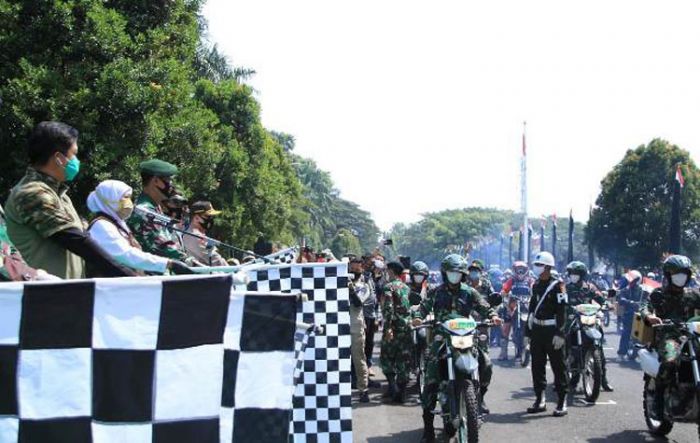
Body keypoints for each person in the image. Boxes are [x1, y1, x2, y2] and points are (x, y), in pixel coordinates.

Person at [4, 121, 135, 279]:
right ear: (59, 158)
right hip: (43, 297)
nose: (77, 161)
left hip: (66, 293)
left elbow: (84, 237)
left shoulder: (59, 195)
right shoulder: (32, 193)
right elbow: (75, 240)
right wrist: (126, 275)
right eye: (74, 154)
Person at [412, 254, 502, 442]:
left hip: (466, 337)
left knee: (485, 363)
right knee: (430, 378)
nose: (455, 276)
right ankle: (428, 427)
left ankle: (479, 398)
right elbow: (423, 308)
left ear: (463, 274)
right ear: (445, 273)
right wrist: (418, 317)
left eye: (458, 273)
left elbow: (484, 306)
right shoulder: (436, 292)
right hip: (442, 336)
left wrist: (493, 315)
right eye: (451, 272)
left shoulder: (470, 292)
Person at [86, 180, 192, 276]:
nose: (129, 202)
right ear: (110, 200)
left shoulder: (117, 224)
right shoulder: (101, 226)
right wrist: (168, 263)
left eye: (129, 198)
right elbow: (127, 255)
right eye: (125, 197)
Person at [640, 255, 700, 419]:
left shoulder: (693, 295)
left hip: (691, 337)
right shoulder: (658, 294)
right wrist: (649, 316)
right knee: (670, 361)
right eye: (676, 274)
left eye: (683, 274)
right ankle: (659, 401)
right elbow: (645, 307)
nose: (680, 277)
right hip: (668, 337)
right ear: (668, 275)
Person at [127, 159, 198, 265]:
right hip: (150, 276)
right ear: (155, 181)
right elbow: (163, 246)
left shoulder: (155, 208)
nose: (171, 185)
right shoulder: (143, 211)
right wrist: (190, 262)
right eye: (168, 180)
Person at [525, 251, 569, 417]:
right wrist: (527, 332)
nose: (536, 268)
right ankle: (540, 399)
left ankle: (561, 401)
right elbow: (531, 309)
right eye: (536, 265)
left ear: (548, 267)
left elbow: (562, 310)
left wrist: (560, 333)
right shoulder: (535, 285)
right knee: (537, 366)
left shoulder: (558, 285)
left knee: (559, 367)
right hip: (537, 330)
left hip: (552, 331)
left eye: (539, 265)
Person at [565, 261, 613, 392]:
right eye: (571, 274)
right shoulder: (566, 288)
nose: (573, 276)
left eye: (576, 274)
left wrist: (606, 305)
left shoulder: (590, 287)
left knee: (600, 349)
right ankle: (570, 378)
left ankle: (603, 380)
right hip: (573, 319)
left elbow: (600, 299)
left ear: (582, 275)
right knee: (567, 339)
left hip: (588, 319)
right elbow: (560, 301)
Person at [379, 261, 412, 403]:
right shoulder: (406, 287)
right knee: (403, 360)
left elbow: (388, 309)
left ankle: (393, 387)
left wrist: (388, 328)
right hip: (406, 328)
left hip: (394, 328)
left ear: (391, 271)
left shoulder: (388, 287)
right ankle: (402, 392)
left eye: (387, 270)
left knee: (386, 358)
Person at [500, 260, 534, 361]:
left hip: (526, 305)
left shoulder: (530, 281)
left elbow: (534, 288)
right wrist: (504, 293)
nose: (520, 272)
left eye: (522, 270)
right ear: (514, 271)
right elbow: (504, 289)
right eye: (518, 270)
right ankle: (503, 352)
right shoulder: (511, 280)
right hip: (512, 306)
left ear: (526, 270)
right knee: (506, 326)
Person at [348, 258, 371, 403]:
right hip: (339, 325)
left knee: (359, 358)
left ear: (361, 270)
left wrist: (350, 289)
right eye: (352, 269)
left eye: (357, 270)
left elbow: (358, 302)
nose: (354, 272)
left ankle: (363, 390)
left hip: (355, 326)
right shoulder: (338, 284)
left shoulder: (364, 286)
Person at [182, 201, 228, 266]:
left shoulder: (197, 234)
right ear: (196, 218)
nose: (211, 219)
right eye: (207, 216)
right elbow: (216, 261)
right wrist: (236, 270)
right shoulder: (194, 235)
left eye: (212, 216)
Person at [617, 270, 644, 359]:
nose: (632, 282)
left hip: (641, 315)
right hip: (629, 314)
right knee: (626, 333)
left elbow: (647, 300)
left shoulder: (642, 290)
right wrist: (631, 302)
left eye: (635, 281)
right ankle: (621, 352)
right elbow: (621, 299)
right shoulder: (626, 290)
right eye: (631, 280)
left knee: (642, 334)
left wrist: (643, 304)